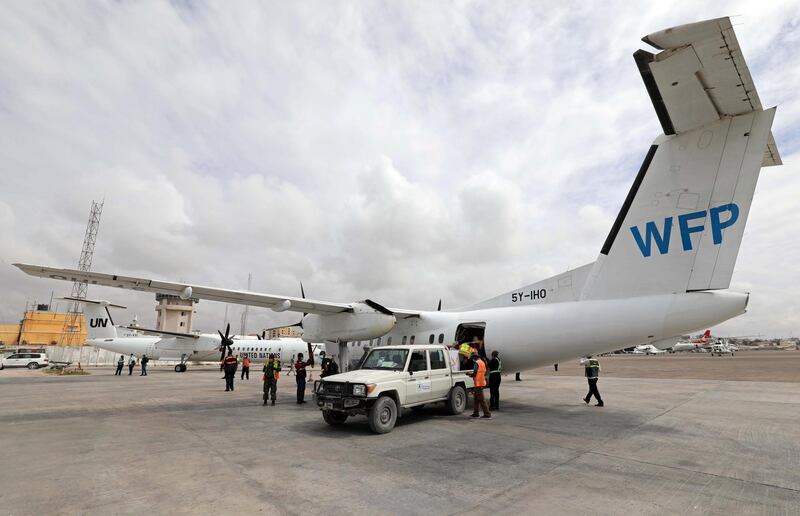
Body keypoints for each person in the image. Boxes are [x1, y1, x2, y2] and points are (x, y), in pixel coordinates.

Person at [468, 352, 491, 419]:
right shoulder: (482, 362)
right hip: (480, 383)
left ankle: (487, 414)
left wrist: (469, 374)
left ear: (474, 358)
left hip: (479, 384)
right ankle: (476, 413)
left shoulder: (477, 363)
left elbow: (475, 373)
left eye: (472, 358)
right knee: (476, 399)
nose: (472, 359)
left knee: (482, 400)